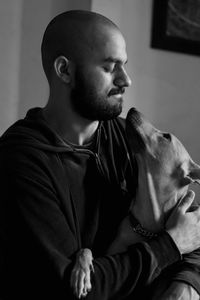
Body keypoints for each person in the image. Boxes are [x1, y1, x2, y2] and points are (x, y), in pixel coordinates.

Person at [0, 10, 200, 300]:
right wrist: (170, 246)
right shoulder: (20, 161)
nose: (126, 80)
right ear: (64, 71)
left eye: (125, 66)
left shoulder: (127, 137)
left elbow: (192, 231)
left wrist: (186, 285)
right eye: (110, 67)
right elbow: (71, 290)